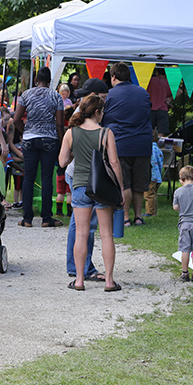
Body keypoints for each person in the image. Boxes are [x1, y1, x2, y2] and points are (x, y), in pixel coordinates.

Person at [59, 94, 123, 292]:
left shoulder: (71, 133)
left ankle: (79, 280)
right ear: (97, 112)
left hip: (80, 186)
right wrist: (120, 188)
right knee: (106, 235)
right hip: (102, 188)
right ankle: (109, 281)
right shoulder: (106, 133)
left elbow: (62, 162)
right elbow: (114, 163)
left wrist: (75, 155)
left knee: (81, 234)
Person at [65, 78, 110, 281]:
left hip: (78, 176)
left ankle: (79, 270)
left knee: (80, 225)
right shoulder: (91, 120)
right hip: (87, 177)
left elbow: (63, 157)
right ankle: (81, 268)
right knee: (86, 228)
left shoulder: (78, 117)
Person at [13, 67, 64, 227]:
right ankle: (46, 218)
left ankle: (27, 218)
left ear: (36, 80)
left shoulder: (26, 94)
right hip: (49, 139)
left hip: (30, 139)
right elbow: (60, 123)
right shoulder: (56, 96)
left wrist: (24, 132)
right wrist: (61, 143)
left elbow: (15, 120)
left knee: (28, 177)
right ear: (50, 81)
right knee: (47, 178)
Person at [102, 62, 152, 227]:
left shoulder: (110, 95)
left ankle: (125, 218)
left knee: (125, 183)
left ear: (114, 77)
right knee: (139, 184)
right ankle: (138, 217)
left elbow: (104, 119)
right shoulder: (143, 92)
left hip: (121, 143)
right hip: (143, 144)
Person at [173, 166, 193, 282]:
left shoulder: (178, 191)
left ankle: (184, 273)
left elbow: (175, 207)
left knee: (185, 249)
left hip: (184, 224)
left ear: (181, 180)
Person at [143, 127, 163, 218]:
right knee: (153, 194)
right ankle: (154, 211)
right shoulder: (158, 150)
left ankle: (150, 212)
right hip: (157, 176)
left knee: (148, 194)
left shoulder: (148, 148)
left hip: (150, 175)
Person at [146, 68, 172, 136]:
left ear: (157, 73)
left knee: (149, 131)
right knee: (161, 132)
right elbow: (179, 91)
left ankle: (149, 145)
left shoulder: (150, 81)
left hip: (150, 109)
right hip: (162, 109)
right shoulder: (167, 82)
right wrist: (170, 98)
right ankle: (159, 146)